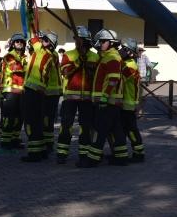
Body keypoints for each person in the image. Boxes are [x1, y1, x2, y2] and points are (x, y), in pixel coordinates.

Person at [80, 29, 128, 167]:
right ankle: (121, 157)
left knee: (99, 130)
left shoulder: (112, 58)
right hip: (113, 102)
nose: (100, 44)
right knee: (116, 130)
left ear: (111, 43)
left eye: (102, 42)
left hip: (107, 101)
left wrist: (105, 97)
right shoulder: (109, 56)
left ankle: (92, 159)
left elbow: (113, 80)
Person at [55, 26, 97, 164]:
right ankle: (62, 153)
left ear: (86, 41)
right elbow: (66, 72)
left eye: (79, 40)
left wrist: (88, 65)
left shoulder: (94, 56)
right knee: (66, 125)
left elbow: (96, 76)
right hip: (70, 98)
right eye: (75, 40)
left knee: (86, 127)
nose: (76, 43)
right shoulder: (69, 55)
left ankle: (84, 154)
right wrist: (79, 61)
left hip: (87, 99)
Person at [19, 31, 57, 162]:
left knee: (31, 122)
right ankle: (41, 151)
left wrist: (30, 13)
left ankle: (34, 154)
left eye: (45, 40)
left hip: (33, 90)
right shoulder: (49, 54)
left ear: (50, 45)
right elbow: (34, 37)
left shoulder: (42, 51)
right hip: (38, 91)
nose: (42, 40)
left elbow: (33, 37)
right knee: (38, 122)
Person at [0, 33, 27, 149]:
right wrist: (31, 67)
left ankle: (15, 139)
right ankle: (5, 142)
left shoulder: (24, 57)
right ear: (13, 44)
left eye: (21, 41)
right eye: (17, 41)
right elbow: (17, 68)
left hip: (21, 91)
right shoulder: (9, 56)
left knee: (19, 118)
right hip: (9, 90)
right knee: (9, 117)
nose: (19, 43)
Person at [119, 38, 145, 162]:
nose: (120, 51)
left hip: (128, 104)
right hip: (127, 103)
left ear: (129, 52)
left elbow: (119, 78)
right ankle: (123, 153)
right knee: (125, 129)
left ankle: (139, 154)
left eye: (123, 49)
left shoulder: (129, 66)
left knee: (131, 130)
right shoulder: (128, 64)